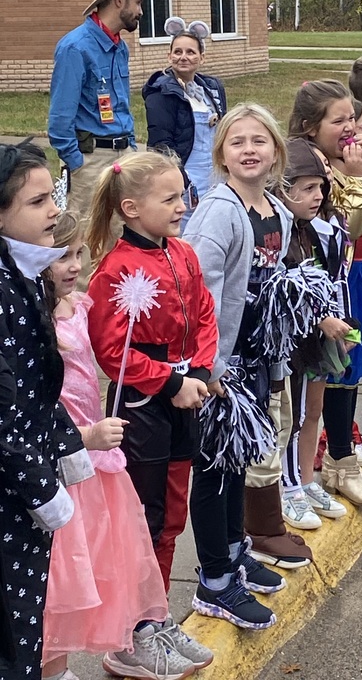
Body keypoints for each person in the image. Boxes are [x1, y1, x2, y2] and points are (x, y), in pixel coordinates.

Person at [41, 212, 181, 680]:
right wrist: (85, 436)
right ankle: (51, 669)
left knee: (101, 564)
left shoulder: (77, 306)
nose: (75, 264)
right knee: (60, 577)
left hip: (95, 459)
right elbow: (36, 409)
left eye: (79, 253)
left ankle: (121, 645)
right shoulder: (33, 323)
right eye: (63, 255)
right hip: (63, 457)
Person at [85, 152, 219, 639]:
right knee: (145, 516)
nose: (182, 205)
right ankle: (133, 627)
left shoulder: (182, 252)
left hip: (188, 395)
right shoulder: (115, 271)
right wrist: (170, 383)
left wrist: (200, 370)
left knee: (171, 515)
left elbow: (205, 310)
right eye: (170, 198)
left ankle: (156, 616)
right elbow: (111, 351)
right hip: (142, 408)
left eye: (182, 194)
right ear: (131, 208)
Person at [183, 105, 316, 581]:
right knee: (216, 467)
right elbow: (199, 293)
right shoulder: (220, 212)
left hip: (257, 360)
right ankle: (215, 574)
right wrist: (210, 367)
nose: (249, 150)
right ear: (221, 154)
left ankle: (238, 548)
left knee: (240, 459)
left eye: (259, 141)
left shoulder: (275, 209)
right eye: (237, 142)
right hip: (221, 367)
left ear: (276, 150)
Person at [0, 142, 92, 680]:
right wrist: (43, 490)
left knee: (22, 627)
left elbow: (39, 385)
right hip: (11, 494)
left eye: (51, 196)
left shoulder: (25, 274)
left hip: (21, 492)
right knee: (12, 636)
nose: (54, 211)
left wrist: (67, 446)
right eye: (38, 203)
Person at [289, 81, 362, 504]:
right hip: (339, 277)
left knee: (355, 370)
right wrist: (354, 178)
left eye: (352, 119)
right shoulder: (315, 167)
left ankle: (342, 456)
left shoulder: (348, 158)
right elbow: (349, 225)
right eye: (338, 121)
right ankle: (337, 456)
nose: (350, 128)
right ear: (308, 127)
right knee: (338, 372)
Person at [279, 137, 353, 526]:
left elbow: (333, 280)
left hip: (320, 337)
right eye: (307, 188)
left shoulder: (320, 230)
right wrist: (318, 316)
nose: (317, 195)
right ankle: (288, 487)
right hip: (293, 342)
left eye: (320, 186)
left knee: (313, 411)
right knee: (292, 417)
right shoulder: (282, 233)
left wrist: (337, 322)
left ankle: (305, 480)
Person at [48, 0, 159, 221]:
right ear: (119, 1)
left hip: (124, 157)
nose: (141, 11)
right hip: (90, 161)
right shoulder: (75, 48)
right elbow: (60, 118)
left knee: (125, 233)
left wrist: (131, 146)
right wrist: (77, 164)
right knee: (88, 238)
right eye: (138, 2)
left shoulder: (121, 48)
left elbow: (121, 105)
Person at [142, 18, 227, 231]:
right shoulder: (161, 91)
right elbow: (161, 143)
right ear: (169, 56)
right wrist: (180, 180)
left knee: (215, 227)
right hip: (186, 176)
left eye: (190, 52)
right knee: (188, 230)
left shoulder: (212, 87)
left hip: (216, 175)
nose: (183, 57)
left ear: (201, 57)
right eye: (177, 52)